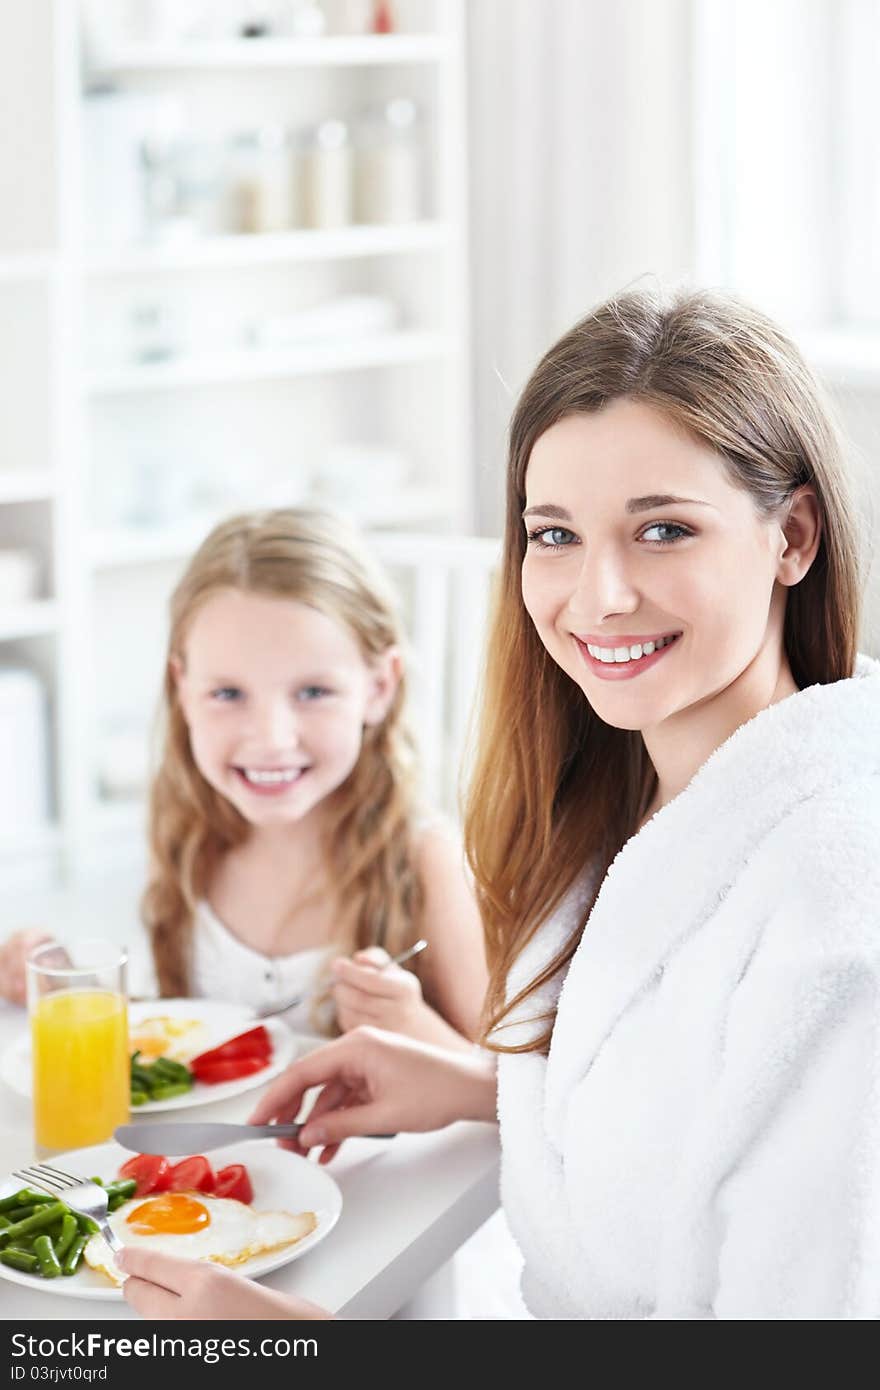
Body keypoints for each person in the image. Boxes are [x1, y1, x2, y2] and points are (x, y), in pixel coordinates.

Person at [120, 283, 880, 1320]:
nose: (598, 593)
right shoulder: (629, 820)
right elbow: (686, 1125)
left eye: (662, 529)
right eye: (554, 534)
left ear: (791, 536)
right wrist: (483, 1086)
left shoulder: (836, 905)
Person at [0, 509, 486, 1050]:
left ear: (378, 687)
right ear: (182, 690)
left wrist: (414, 1028)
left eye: (313, 692)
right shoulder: (190, 834)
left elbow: (502, 1092)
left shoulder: (424, 860)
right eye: (228, 694)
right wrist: (72, 988)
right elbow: (187, 1042)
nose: (271, 738)